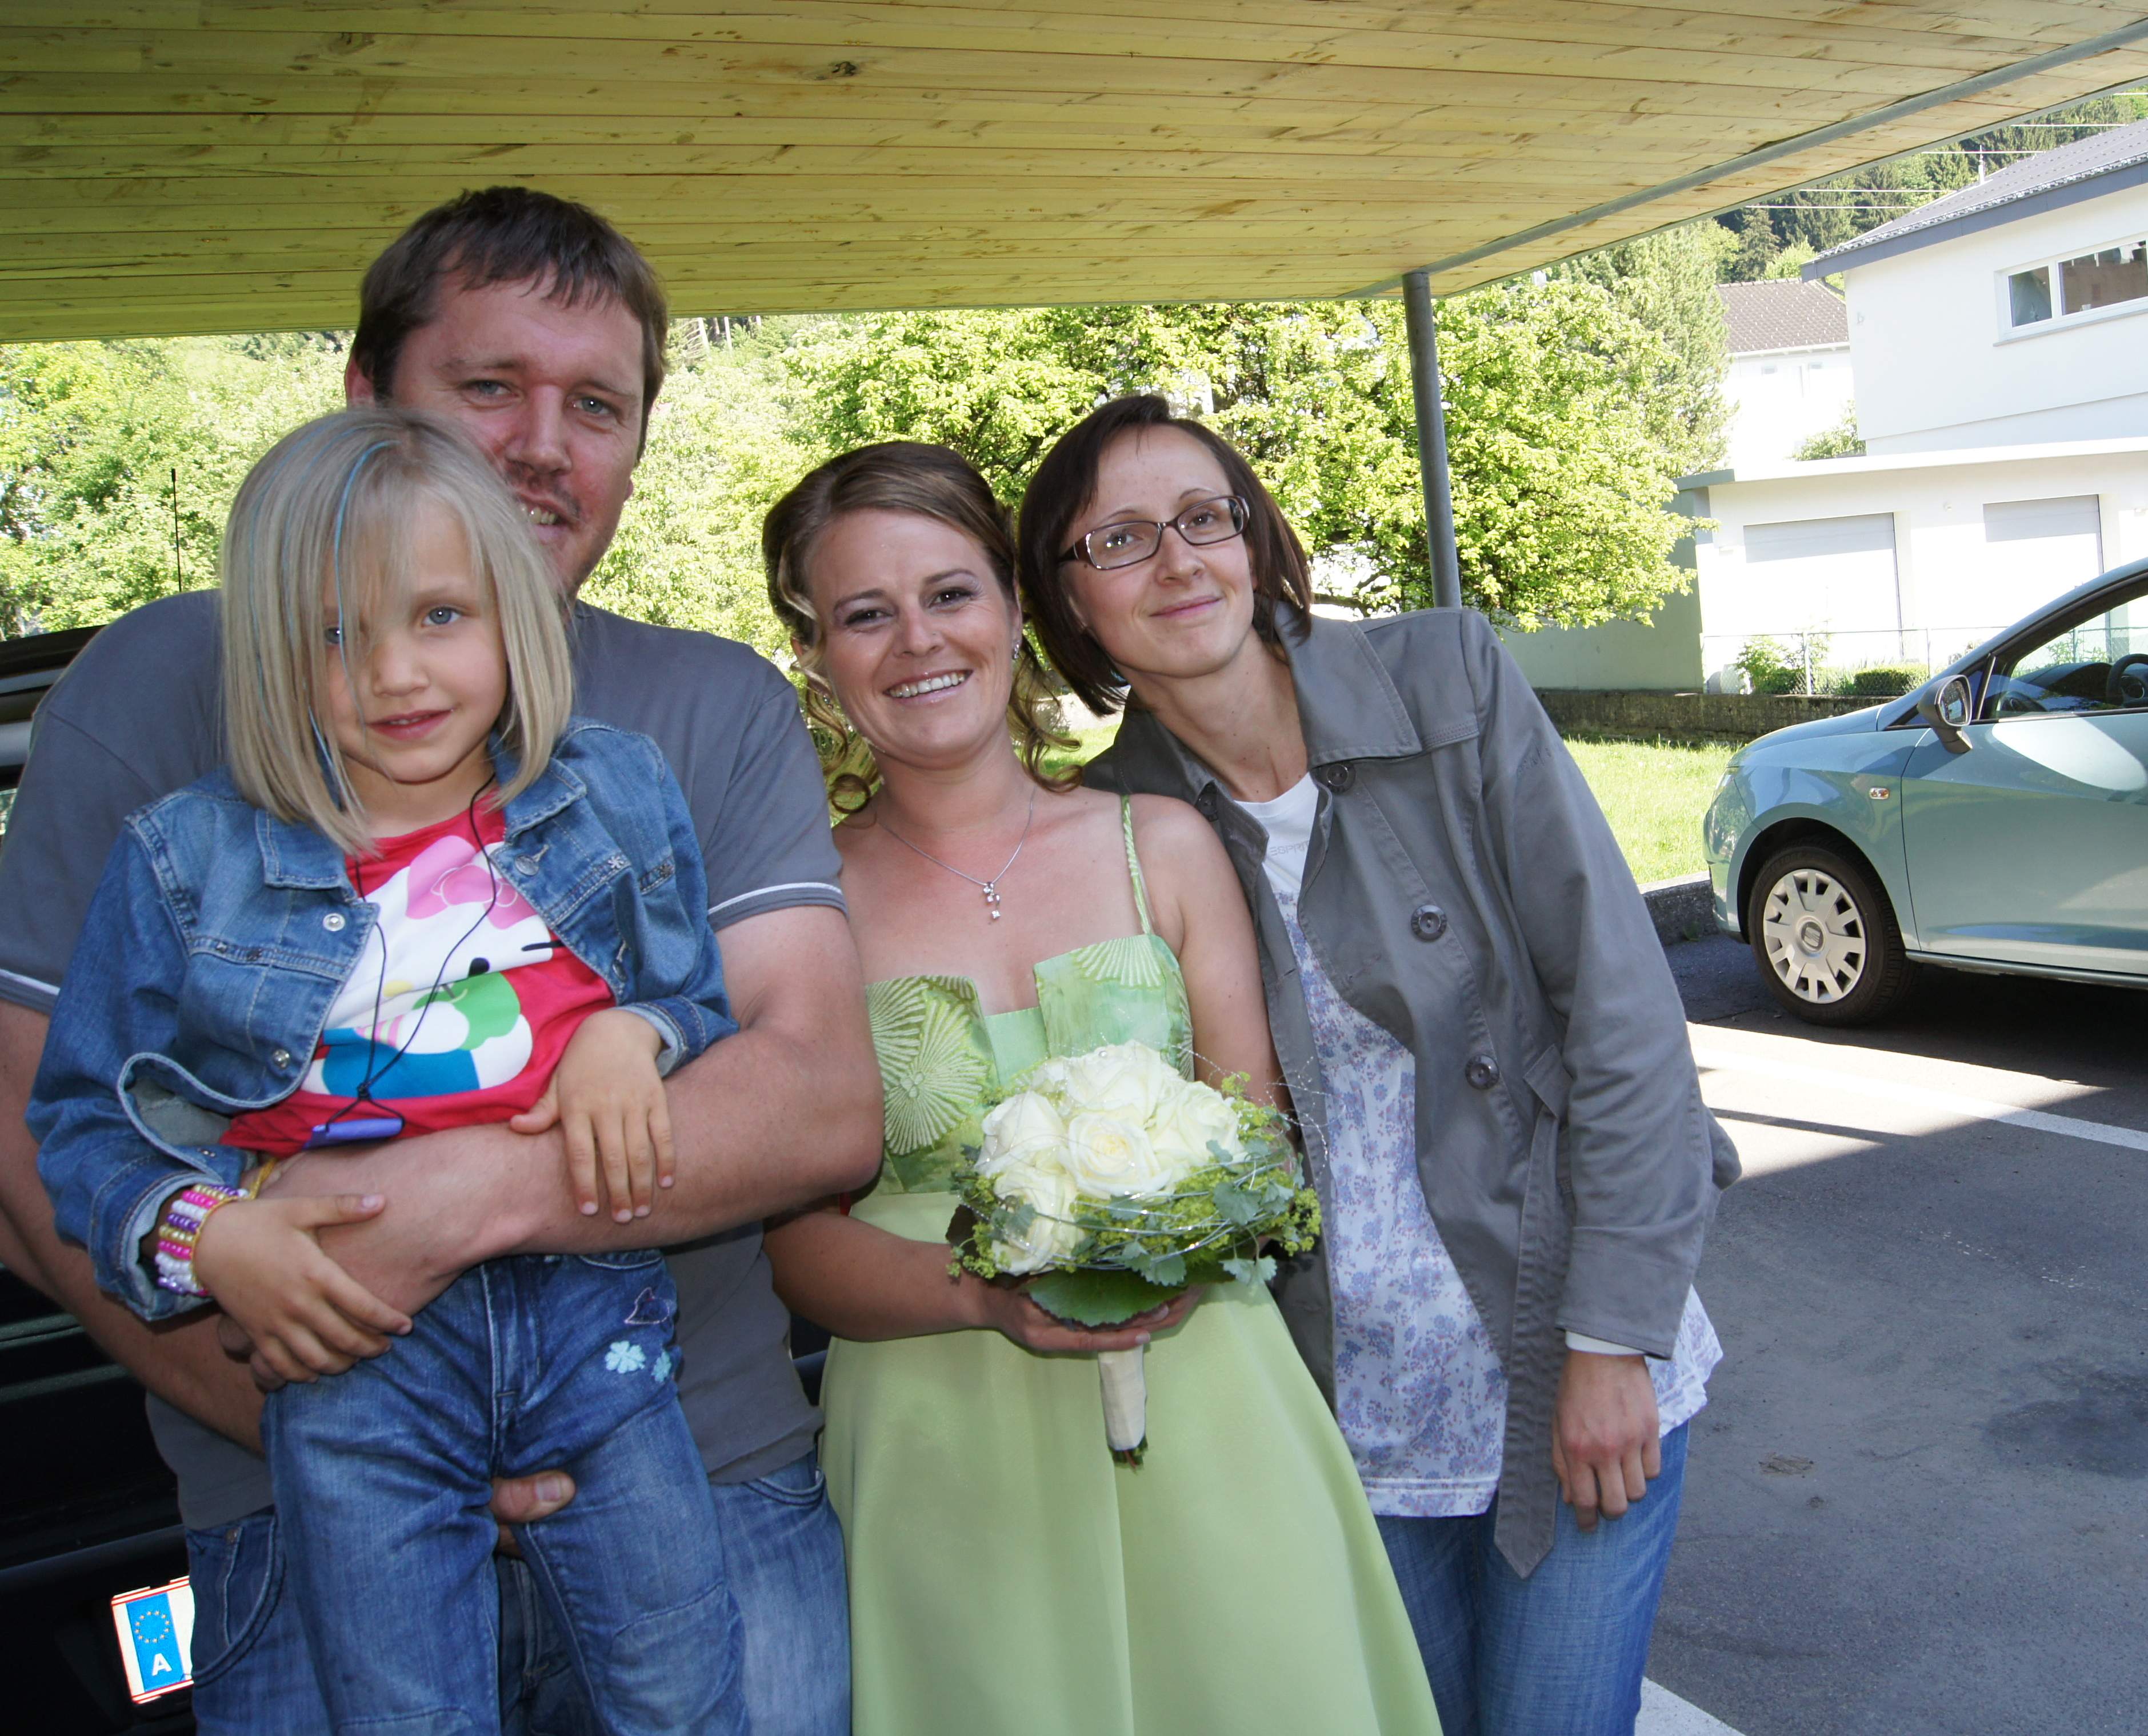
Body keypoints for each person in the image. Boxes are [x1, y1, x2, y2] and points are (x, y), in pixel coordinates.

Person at [0, 189, 879, 1734]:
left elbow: (816, 1100)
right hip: (295, 1500)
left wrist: (473, 1189)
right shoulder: (150, 700)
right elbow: (33, 1137)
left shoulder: (702, 712)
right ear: (365, 396)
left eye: (595, 405)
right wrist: (349, 1435)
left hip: (701, 1463)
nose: (541, 444)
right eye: (488, 384)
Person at [1015, 395, 1737, 1736]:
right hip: (1340, 1406)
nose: (1175, 561)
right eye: (1117, 539)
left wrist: (1608, 1340)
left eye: (1201, 518)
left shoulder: (1443, 678)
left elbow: (1621, 1012)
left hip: (1558, 1340)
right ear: (1068, 601)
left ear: (1253, 539)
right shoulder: (1110, 823)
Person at [34, 405, 749, 1732]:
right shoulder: (188, 858)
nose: (393, 674)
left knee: (685, 1694)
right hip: (352, 1366)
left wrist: (633, 1035)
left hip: (595, 1327)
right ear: (267, 653)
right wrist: (207, 1240)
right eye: (332, 635)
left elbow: (693, 996)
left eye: (438, 616)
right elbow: (81, 1124)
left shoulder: (611, 793)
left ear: (510, 616)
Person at [757, 442, 1441, 1736]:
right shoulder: (800, 906)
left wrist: (1162, 1239)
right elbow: (789, 1243)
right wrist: (983, 1295)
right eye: (865, 614)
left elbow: (1261, 1143)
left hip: (1207, 1396)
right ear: (814, 656)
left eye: (949, 594)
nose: (918, 641)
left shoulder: (1160, 845)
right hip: (941, 1438)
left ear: (1014, 609)